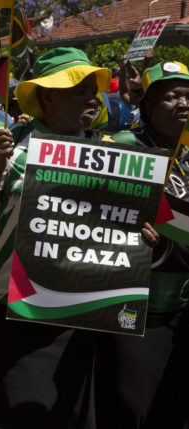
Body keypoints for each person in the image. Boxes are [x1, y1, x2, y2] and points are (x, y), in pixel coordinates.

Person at [0, 47, 158, 428]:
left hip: (85, 314)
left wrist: (141, 236)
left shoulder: (110, 151)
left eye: (92, 88)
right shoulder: (12, 145)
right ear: (47, 96)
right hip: (20, 312)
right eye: (79, 89)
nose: (92, 97)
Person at [100, 61, 189, 428]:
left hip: (181, 314)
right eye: (172, 97)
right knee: (130, 410)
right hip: (132, 313)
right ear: (148, 107)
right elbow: (88, 211)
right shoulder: (125, 146)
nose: (184, 104)